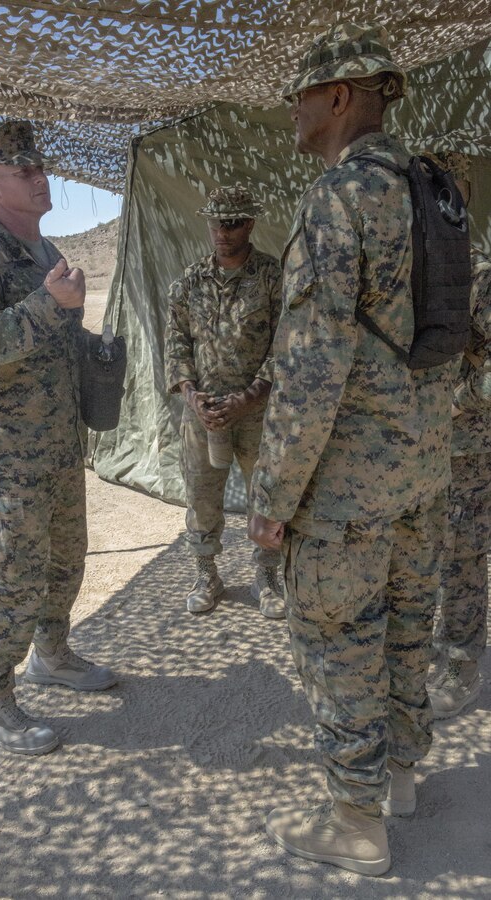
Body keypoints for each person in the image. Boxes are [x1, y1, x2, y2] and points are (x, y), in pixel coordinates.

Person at [248, 24, 456, 876]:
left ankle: (355, 822)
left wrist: (272, 500)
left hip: (349, 487)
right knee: (409, 630)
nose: (293, 110)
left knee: (338, 643)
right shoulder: (434, 191)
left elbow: (310, 364)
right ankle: (401, 775)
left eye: (301, 93)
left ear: (338, 97)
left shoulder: (339, 197)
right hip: (421, 472)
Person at [0, 120, 116, 757]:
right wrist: (48, 306)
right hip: (8, 451)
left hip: (59, 440)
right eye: (24, 172)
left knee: (67, 555)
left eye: (40, 168)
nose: (41, 179)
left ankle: (53, 654)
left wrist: (94, 348)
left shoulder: (47, 251)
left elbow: (55, 344)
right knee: (14, 572)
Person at [164, 185, 284, 618]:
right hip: (204, 416)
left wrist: (250, 398)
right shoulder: (189, 281)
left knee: (265, 494)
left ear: (250, 223)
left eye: (232, 223)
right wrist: (193, 397)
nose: (221, 232)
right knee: (201, 494)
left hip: (257, 414)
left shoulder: (273, 277)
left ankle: (267, 574)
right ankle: (206, 573)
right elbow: (176, 345)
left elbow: (284, 346)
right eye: (215, 222)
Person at [426, 152, 491, 719]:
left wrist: (454, 400)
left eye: (449, 185)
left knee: (462, 555)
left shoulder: (482, 274)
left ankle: (463, 661)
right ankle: (429, 645)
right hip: (407, 445)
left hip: (465, 446)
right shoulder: (406, 267)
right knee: (420, 551)